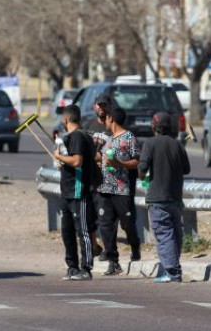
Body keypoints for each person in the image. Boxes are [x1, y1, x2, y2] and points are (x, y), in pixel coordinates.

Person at [138, 112, 191, 283]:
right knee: (175, 235)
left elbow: (142, 169)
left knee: (164, 235)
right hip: (175, 197)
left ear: (153, 126)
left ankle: (172, 272)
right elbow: (186, 169)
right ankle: (174, 268)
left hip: (157, 198)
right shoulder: (177, 145)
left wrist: (143, 175)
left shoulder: (149, 143)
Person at [52, 105, 97, 281]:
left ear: (66, 120)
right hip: (67, 192)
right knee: (67, 231)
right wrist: (62, 161)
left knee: (83, 231)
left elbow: (77, 161)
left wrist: (60, 157)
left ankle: (86, 268)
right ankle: (72, 267)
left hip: (79, 191)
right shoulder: (70, 138)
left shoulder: (78, 136)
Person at [97, 106, 142, 276]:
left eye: (107, 119)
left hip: (122, 189)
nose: (105, 122)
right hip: (105, 188)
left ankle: (135, 246)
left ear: (112, 120)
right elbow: (103, 160)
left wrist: (120, 164)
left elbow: (137, 161)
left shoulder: (129, 138)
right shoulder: (108, 139)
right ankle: (113, 261)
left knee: (127, 223)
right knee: (106, 225)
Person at [83, 93, 114, 260]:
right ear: (94, 106)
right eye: (99, 105)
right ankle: (94, 247)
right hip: (89, 177)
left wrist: (99, 158)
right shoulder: (88, 125)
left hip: (106, 177)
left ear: (109, 106)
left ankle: (108, 250)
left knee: (104, 216)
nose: (101, 108)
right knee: (88, 216)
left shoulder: (112, 126)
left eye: (104, 105)